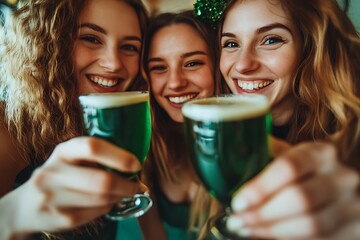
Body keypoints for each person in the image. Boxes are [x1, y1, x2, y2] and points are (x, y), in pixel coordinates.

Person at [0, 0, 148, 239]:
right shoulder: (8, 126)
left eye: (129, 47)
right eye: (91, 38)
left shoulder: (125, 127)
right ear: (50, 41)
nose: (114, 63)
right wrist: (13, 214)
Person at [218, 0, 360, 239]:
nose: (242, 65)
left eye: (271, 40)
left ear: (312, 46)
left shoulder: (352, 141)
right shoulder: (223, 141)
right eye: (231, 44)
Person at [137, 10, 227, 239]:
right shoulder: (141, 152)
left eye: (192, 63)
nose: (176, 82)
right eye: (159, 67)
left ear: (218, 65)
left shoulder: (248, 148)